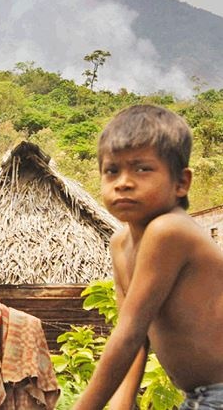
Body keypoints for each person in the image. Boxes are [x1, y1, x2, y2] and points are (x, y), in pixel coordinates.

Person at [73, 104, 223, 410]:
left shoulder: (169, 231)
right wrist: (121, 402)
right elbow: (135, 337)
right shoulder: (119, 244)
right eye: (112, 170)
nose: (124, 181)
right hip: (201, 396)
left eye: (142, 169)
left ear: (181, 182)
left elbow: (129, 333)